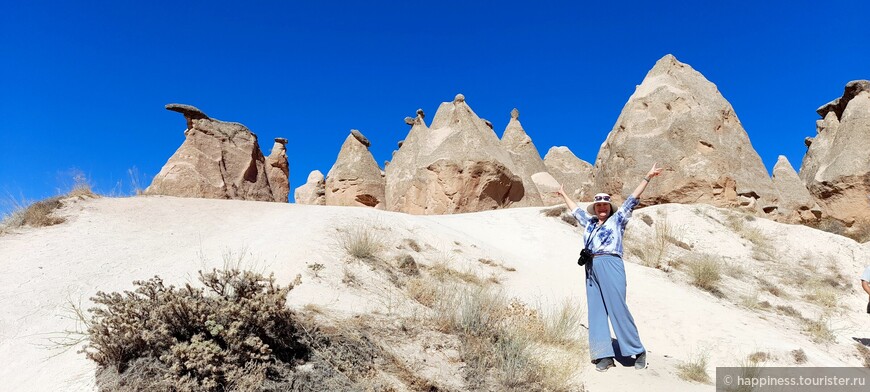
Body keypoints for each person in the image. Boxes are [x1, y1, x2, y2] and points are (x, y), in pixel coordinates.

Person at [556, 163, 663, 372]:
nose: (602, 207)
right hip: (590, 266)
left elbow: (632, 199)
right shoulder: (589, 222)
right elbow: (575, 209)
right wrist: (563, 194)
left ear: (609, 207)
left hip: (611, 263)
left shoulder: (618, 219)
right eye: (599, 205)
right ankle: (603, 354)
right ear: (595, 208)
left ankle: (637, 349)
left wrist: (647, 177)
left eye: (605, 205)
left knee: (617, 307)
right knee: (596, 310)